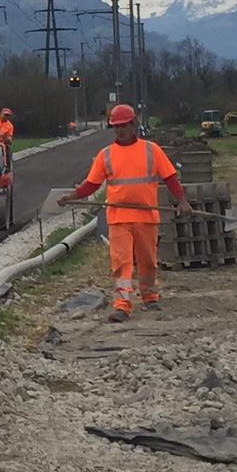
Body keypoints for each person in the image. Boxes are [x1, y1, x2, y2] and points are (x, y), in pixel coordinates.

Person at [70, 103, 195, 323]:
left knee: (148, 261)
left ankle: (150, 297)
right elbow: (91, 184)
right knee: (122, 263)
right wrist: (72, 197)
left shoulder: (151, 150)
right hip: (119, 218)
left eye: (124, 126)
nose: (120, 130)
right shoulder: (106, 155)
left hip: (146, 216)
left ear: (133, 125)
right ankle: (122, 305)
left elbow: (170, 178)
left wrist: (182, 201)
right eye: (116, 126)